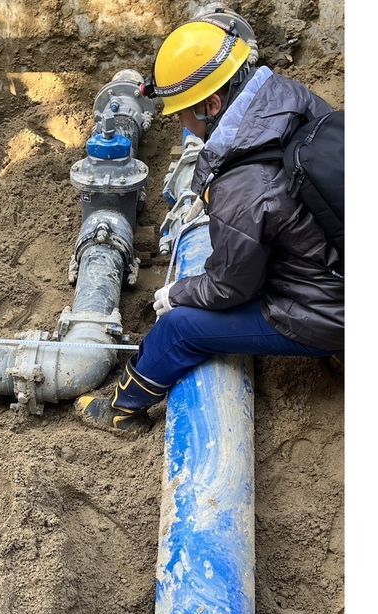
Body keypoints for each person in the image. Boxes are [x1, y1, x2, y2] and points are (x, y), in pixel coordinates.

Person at [75, 19, 344, 437]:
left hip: (331, 311)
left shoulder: (245, 185)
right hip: (341, 267)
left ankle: (123, 409)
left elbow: (230, 288)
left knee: (181, 329)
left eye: (184, 113)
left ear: (212, 105)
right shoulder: (286, 96)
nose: (183, 125)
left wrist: (176, 293)